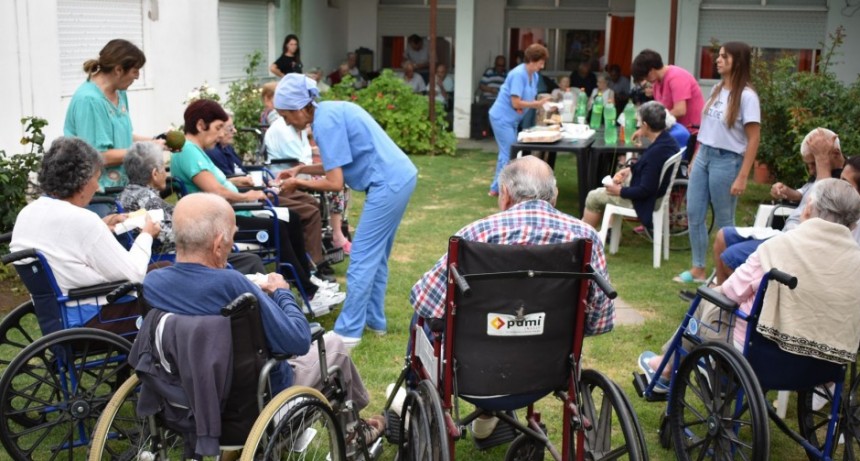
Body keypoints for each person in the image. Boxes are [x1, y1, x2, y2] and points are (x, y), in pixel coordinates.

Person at [142, 193, 385, 442]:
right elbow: (297, 340)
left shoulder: (153, 283)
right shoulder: (234, 287)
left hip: (184, 396)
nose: (232, 246)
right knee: (335, 346)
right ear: (218, 244)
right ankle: (354, 433)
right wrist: (281, 293)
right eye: (231, 238)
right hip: (253, 400)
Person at [411, 156, 615, 437]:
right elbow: (599, 322)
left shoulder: (477, 234)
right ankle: (487, 420)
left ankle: (415, 399)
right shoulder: (586, 237)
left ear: (505, 193)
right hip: (548, 371)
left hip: (473, 374)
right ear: (554, 195)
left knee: (422, 315)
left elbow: (425, 300)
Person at [639, 178, 860, 391]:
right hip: (825, 367)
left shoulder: (779, 247)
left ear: (808, 208)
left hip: (762, 357)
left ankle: (665, 369)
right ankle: (678, 369)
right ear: (852, 223)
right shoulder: (856, 261)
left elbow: (731, 291)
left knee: (708, 297)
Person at [272, 74, 418, 349]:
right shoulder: (331, 111)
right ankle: (375, 322)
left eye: (286, 115)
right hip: (398, 178)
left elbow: (335, 182)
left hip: (388, 183)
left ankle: (347, 333)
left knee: (362, 256)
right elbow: (336, 164)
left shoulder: (325, 123)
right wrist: (301, 169)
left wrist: (297, 183)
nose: (287, 122)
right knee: (376, 257)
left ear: (300, 108)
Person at [169, 99, 343, 312]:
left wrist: (238, 183)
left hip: (224, 214)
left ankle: (306, 281)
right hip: (216, 221)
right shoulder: (188, 151)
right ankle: (308, 291)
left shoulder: (193, 150)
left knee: (293, 218)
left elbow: (210, 183)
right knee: (279, 226)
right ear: (200, 125)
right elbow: (215, 191)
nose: (220, 134)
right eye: (217, 128)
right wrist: (248, 196)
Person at [10, 137, 159, 296]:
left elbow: (60, 241)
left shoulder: (26, 213)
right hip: (98, 306)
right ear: (82, 182)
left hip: (54, 306)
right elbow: (134, 275)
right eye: (97, 178)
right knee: (162, 272)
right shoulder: (83, 220)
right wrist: (146, 235)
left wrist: (101, 226)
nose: (98, 187)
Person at [710, 128, 846, 284]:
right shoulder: (820, 173)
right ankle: (720, 293)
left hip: (797, 245)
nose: (811, 171)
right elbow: (804, 193)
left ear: (835, 153)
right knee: (722, 236)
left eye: (813, 163)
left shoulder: (844, 179)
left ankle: (731, 295)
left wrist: (822, 160)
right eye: (808, 165)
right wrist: (786, 191)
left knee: (729, 259)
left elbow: (822, 199)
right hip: (782, 234)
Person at [676, 42, 761, 284]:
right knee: (694, 213)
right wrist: (696, 157)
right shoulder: (717, 88)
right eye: (719, 56)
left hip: (728, 161)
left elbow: (754, 139)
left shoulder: (747, 97)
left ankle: (725, 275)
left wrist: (743, 176)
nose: (718, 60)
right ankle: (698, 269)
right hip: (704, 156)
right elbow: (707, 128)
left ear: (738, 61)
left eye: (724, 56)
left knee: (724, 222)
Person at [119, 141, 267, 275]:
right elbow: (172, 235)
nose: (166, 173)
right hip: (176, 260)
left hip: (161, 258)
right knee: (251, 261)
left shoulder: (126, 194)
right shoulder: (148, 200)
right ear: (155, 173)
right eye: (163, 168)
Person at [64, 39, 159, 190]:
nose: (137, 77)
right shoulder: (89, 101)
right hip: (98, 192)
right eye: (135, 71)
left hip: (123, 186)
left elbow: (124, 137)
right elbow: (99, 156)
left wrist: (156, 141)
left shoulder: (119, 93)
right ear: (118, 70)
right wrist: (147, 149)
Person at [581, 101, 680, 231]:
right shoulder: (668, 141)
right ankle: (605, 230)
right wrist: (630, 169)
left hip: (646, 202)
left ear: (645, 125)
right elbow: (650, 171)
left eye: (639, 122)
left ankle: (584, 237)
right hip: (656, 195)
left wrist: (619, 191)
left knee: (593, 197)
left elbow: (645, 190)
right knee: (606, 187)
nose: (638, 125)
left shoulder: (655, 154)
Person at [488, 44, 552, 197]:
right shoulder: (518, 74)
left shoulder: (534, 76)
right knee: (509, 152)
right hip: (502, 117)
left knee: (506, 152)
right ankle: (504, 190)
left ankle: (496, 188)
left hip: (513, 119)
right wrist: (536, 105)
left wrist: (544, 104)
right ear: (532, 60)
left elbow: (527, 99)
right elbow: (516, 102)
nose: (542, 66)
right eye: (540, 62)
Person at [631, 49, 704, 131]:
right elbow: (662, 110)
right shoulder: (657, 83)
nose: (646, 80)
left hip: (691, 132)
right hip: (674, 130)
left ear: (651, 70)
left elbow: (680, 110)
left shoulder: (676, 77)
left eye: (645, 76)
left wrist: (654, 120)